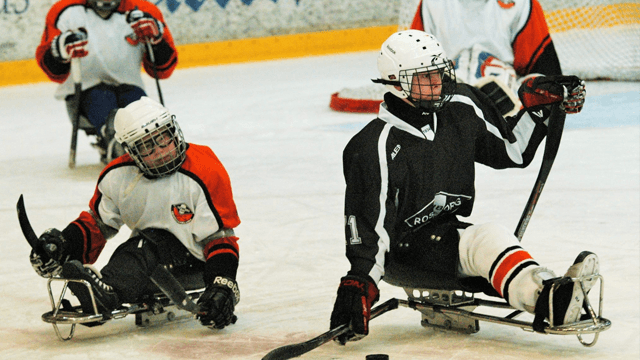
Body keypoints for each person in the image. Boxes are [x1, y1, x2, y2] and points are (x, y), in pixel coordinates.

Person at [329, 30, 593, 344]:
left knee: (484, 251)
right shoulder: (373, 146)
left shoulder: (461, 106)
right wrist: (360, 283)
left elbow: (513, 150)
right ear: (397, 84)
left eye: (439, 72)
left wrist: (536, 109)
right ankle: (550, 297)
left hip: (447, 237)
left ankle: (551, 294)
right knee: (485, 240)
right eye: (425, 77)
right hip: (399, 255)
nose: (438, 82)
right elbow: (369, 226)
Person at [28, 97, 241, 330]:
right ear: (130, 150)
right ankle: (109, 289)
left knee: (143, 244)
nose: (160, 151)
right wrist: (64, 244)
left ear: (174, 131)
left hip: (198, 267)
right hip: (148, 266)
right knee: (143, 245)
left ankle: (108, 294)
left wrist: (222, 284)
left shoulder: (205, 169)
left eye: (163, 138)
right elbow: (97, 225)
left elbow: (220, 238)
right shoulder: (117, 176)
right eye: (147, 146)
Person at [35, 0, 178, 163]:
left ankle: (144, 146)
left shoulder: (144, 11)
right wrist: (59, 51)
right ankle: (115, 142)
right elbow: (54, 73)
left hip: (131, 88)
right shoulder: (65, 11)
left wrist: (157, 41)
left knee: (140, 112)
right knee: (102, 99)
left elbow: (163, 70)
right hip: (83, 95)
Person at [410, 0, 563, 116]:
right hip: (446, 115)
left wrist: (519, 102)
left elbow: (546, 76)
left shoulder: (521, 4)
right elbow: (411, 71)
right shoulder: (432, 4)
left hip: (506, 118)